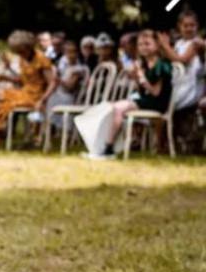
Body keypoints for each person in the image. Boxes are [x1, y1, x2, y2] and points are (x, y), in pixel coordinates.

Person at [83, 29, 173, 160]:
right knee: (110, 107)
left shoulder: (162, 65)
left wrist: (142, 78)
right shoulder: (144, 64)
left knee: (118, 108)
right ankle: (104, 146)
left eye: (147, 44)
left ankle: (108, 149)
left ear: (157, 45)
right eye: (141, 45)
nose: (143, 47)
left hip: (157, 103)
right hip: (146, 99)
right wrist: (135, 77)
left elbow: (156, 92)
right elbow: (141, 90)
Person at [159, 9, 203, 154]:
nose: (189, 28)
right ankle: (164, 144)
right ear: (179, 26)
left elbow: (182, 60)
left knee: (169, 103)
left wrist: (165, 46)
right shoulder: (179, 43)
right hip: (179, 85)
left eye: (192, 25)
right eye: (186, 25)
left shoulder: (197, 43)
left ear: (197, 26)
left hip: (192, 88)